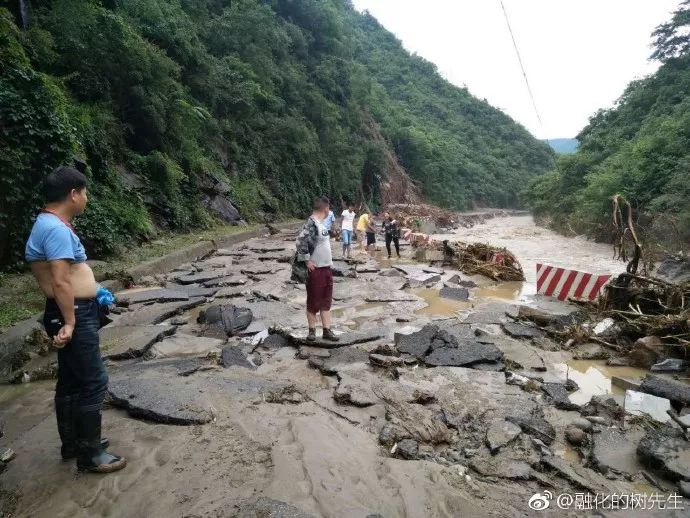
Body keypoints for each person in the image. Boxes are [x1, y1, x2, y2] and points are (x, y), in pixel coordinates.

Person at [25, 166, 126, 474]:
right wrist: (70, 321)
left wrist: (95, 290)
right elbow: (61, 282)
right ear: (73, 193)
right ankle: (91, 454)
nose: (86, 198)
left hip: (74, 309)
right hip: (73, 312)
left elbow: (67, 276)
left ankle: (74, 443)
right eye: (84, 192)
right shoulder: (55, 229)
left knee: (70, 380)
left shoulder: (49, 223)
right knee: (94, 381)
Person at [295, 197, 340, 343]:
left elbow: (321, 238)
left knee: (326, 301)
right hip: (316, 270)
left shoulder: (320, 224)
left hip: (326, 268)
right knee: (314, 301)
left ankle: (327, 330)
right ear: (326, 209)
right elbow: (300, 241)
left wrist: (333, 233)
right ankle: (312, 331)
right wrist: (307, 260)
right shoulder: (311, 223)